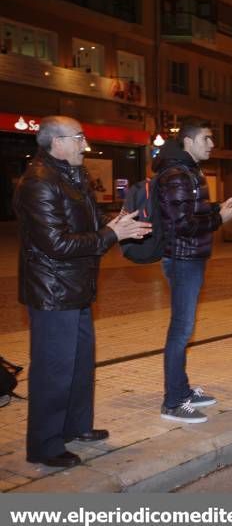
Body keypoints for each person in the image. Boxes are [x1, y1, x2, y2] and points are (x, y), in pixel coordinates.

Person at [15, 116, 151, 467]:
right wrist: (111, 235)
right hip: (52, 291)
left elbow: (86, 229)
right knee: (54, 369)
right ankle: (44, 445)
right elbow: (56, 243)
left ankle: (75, 427)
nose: (84, 144)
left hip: (76, 287)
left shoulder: (72, 177)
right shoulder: (39, 183)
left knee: (79, 364)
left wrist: (115, 227)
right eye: (79, 138)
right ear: (55, 142)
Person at [156, 119, 232, 424]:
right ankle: (172, 402)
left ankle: (181, 390)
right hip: (182, 259)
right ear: (189, 142)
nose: (211, 144)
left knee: (184, 329)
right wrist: (219, 218)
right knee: (180, 331)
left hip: (190, 258)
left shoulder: (189, 172)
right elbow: (183, 225)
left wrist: (220, 206)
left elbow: (191, 213)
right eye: (207, 139)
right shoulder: (177, 175)